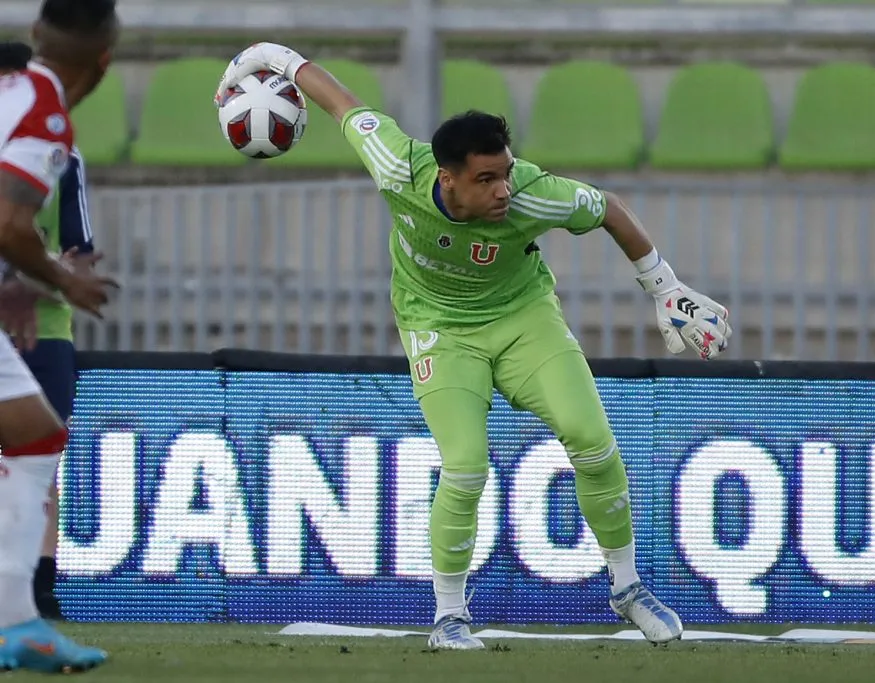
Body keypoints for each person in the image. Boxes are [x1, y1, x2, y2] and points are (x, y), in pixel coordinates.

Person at [216, 43, 731, 651]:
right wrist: (271, 56)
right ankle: (450, 618)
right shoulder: (394, 164)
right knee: (465, 468)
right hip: (439, 329)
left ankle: (627, 588)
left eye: (506, 174)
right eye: (486, 179)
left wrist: (663, 288)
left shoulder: (532, 193)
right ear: (447, 178)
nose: (503, 191)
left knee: (592, 441)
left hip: (523, 321)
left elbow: (609, 209)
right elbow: (340, 103)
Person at [0, 0, 119, 673]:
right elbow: (12, 225)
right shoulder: (46, 116)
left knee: (36, 433)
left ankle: (20, 623)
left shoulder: (12, 92)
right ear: (104, 62)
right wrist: (61, 279)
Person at [0, 40, 96, 623]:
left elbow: (78, 248)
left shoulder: (61, 153)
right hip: (38, 320)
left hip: (43, 324)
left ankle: (38, 589)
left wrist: (46, 280)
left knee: (39, 458)